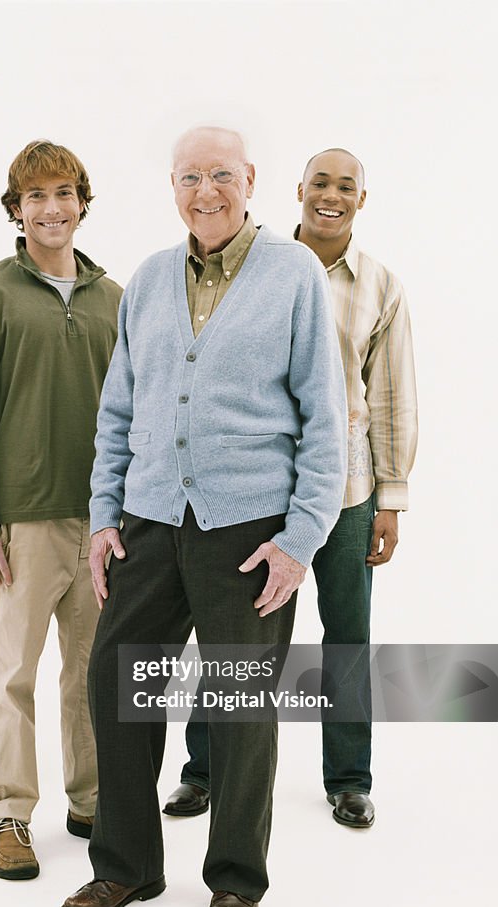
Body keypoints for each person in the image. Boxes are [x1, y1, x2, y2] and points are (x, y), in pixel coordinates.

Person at [60, 126, 347, 907]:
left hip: (247, 531)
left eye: (221, 174)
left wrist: (299, 540)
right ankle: (124, 868)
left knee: (239, 709)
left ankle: (233, 880)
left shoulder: (292, 274)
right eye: (189, 176)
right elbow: (117, 410)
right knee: (117, 690)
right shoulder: (148, 279)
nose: (205, 191)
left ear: (251, 181)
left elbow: (326, 420)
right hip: (149, 523)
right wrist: (103, 516)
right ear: (172, 186)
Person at [167, 148, 418, 829]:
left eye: (346, 186)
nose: (330, 195)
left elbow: (389, 397)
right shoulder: (256, 267)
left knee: (346, 636)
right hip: (257, 491)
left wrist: (389, 497)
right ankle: (204, 768)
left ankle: (347, 777)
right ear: (298, 191)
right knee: (232, 638)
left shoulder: (379, 286)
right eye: (319, 183)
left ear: (360, 200)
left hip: (344, 492)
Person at [0, 141, 122, 881]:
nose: (52, 208)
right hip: (20, 525)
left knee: (90, 673)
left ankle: (90, 801)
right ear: (15, 210)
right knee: (9, 673)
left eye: (63, 193)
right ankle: (7, 814)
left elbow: (131, 414)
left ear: (81, 202)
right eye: (36, 196)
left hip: (104, 523)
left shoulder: (116, 297)